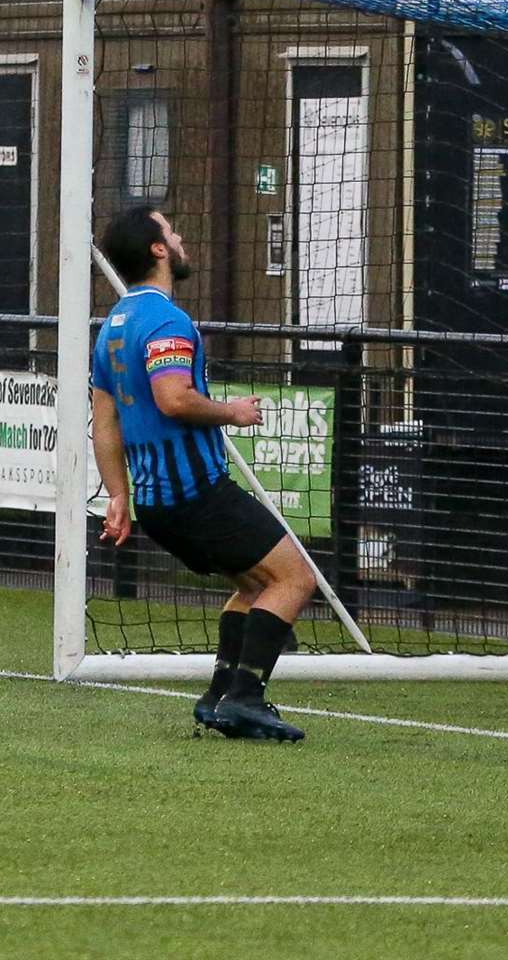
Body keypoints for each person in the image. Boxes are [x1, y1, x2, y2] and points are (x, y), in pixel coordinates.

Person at [90, 206, 314, 742]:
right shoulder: (166, 321)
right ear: (157, 250)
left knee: (257, 587)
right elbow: (172, 399)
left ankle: (218, 696)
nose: (181, 235)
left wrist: (119, 496)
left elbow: (104, 425)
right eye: (171, 230)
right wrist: (232, 411)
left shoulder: (111, 329)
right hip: (196, 493)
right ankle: (245, 697)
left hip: (157, 504)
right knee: (296, 578)